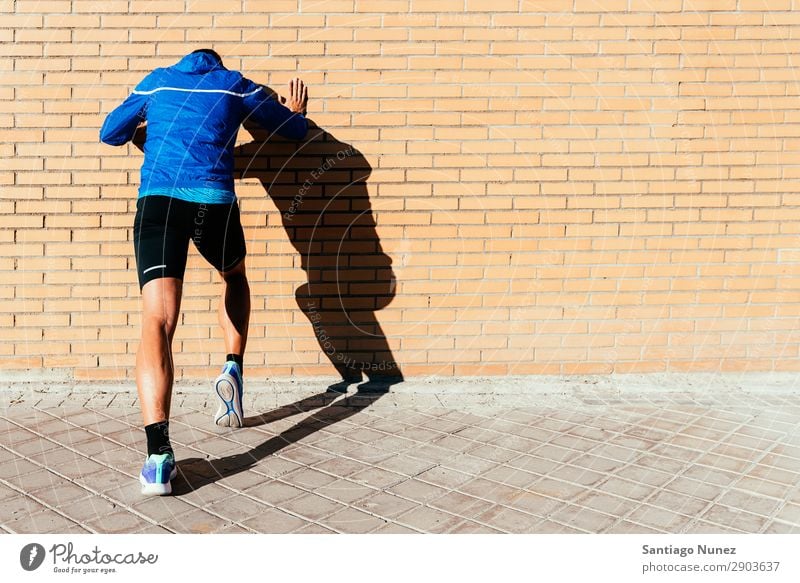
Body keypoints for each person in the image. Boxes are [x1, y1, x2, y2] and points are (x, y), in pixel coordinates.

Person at [99, 48, 308, 495]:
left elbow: (109, 133)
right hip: (213, 204)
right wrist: (296, 112)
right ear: (214, 63)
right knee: (234, 276)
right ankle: (232, 367)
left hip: (161, 204)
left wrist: (144, 129)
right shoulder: (234, 83)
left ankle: (158, 458)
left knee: (158, 319)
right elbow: (292, 131)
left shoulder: (156, 82)